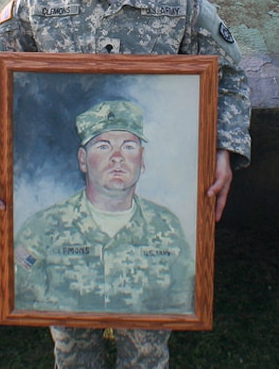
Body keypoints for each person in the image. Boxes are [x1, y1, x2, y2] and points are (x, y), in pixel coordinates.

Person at [0, 0, 251, 369]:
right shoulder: (37, 6)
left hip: (151, 227)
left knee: (149, 345)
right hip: (67, 232)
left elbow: (230, 78)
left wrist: (225, 150)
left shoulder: (179, 4)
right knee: (72, 345)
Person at [14, 100, 195, 315]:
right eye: (103, 146)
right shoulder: (41, 228)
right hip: (73, 331)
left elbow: (182, 297)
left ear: (142, 158)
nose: (117, 157)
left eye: (128, 146)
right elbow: (25, 293)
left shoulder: (167, 226)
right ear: (83, 159)